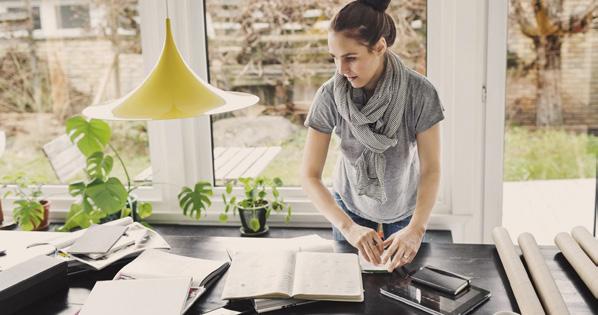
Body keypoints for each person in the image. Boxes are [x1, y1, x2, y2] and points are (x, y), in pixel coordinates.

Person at [300, 0, 444, 272]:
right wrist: (349, 228)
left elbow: (431, 170)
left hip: (406, 208)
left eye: (350, 57)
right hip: (349, 208)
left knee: (402, 291)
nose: (341, 69)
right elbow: (309, 175)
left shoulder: (421, 93)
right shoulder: (330, 94)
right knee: (351, 292)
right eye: (334, 57)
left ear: (379, 47)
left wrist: (416, 229)